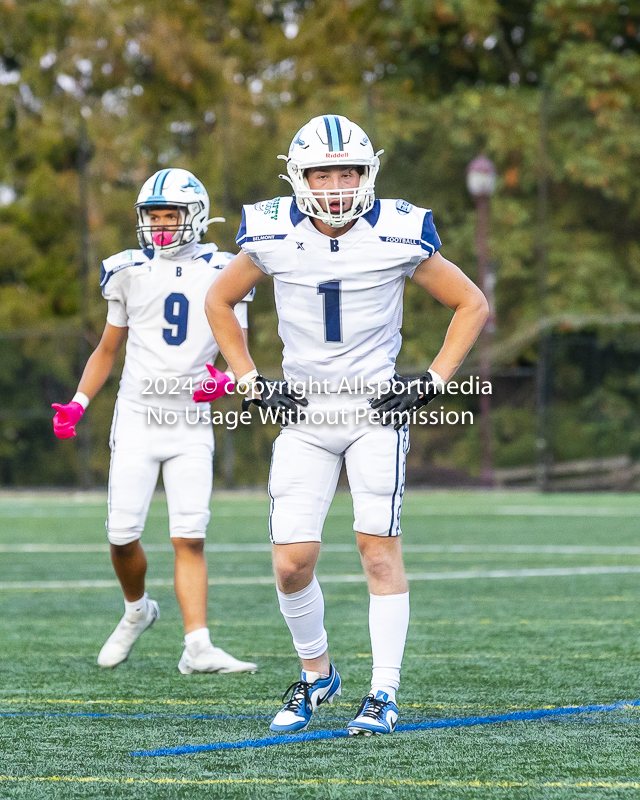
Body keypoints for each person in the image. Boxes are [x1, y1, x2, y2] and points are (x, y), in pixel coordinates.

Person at [205, 115, 488, 734]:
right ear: (299, 178)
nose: (336, 186)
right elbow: (218, 300)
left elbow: (471, 302)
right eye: (322, 173)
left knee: (376, 549)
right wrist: (249, 379)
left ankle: (383, 693)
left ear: (369, 174)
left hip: (373, 413)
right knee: (291, 562)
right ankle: (317, 676)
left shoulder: (397, 232)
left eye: (348, 172)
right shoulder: (273, 231)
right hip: (303, 413)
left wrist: (432, 381)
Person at [52, 168, 257, 675]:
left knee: (190, 536)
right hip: (139, 416)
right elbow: (107, 349)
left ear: (197, 217)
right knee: (122, 535)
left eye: (171, 215)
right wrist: (78, 402)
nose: (161, 226)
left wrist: (225, 382)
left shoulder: (225, 269)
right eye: (153, 216)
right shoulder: (127, 270)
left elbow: (238, 356)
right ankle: (137, 609)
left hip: (190, 421)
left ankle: (198, 645)